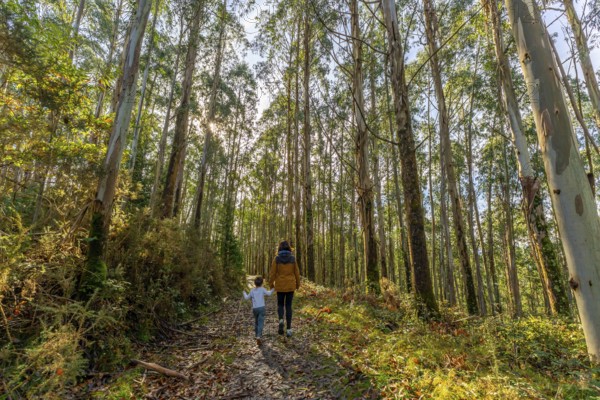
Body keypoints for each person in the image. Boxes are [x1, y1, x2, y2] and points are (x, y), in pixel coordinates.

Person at [268, 240, 300, 337]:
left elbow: (272, 273)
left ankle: (281, 319)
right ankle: (289, 329)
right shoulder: (293, 258)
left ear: (280, 248)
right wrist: (297, 284)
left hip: (280, 285)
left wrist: (271, 284)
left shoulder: (276, 259)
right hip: (290, 286)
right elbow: (297, 273)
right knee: (289, 306)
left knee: (280, 304)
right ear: (289, 248)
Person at [243, 276, 274, 346]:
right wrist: (273, 289)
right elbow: (269, 293)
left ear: (255, 283)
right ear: (262, 283)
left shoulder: (252, 291)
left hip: (255, 309)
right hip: (261, 308)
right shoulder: (262, 289)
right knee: (261, 323)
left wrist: (244, 292)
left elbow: (246, 298)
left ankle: (257, 335)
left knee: (256, 322)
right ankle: (258, 336)